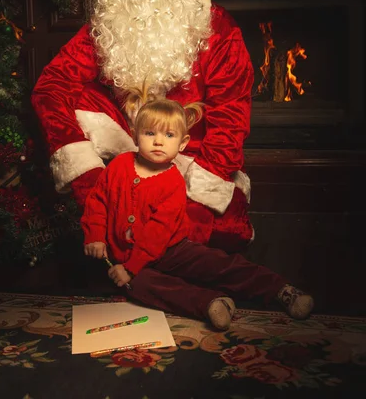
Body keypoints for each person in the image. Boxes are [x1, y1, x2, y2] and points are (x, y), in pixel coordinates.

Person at [31, 0, 255, 253]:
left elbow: (231, 117)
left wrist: (194, 200)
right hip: (127, 160)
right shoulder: (108, 24)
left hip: (190, 159)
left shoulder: (217, 28)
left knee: (202, 237)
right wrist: (86, 175)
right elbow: (52, 86)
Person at [81, 94, 314, 329]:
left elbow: (158, 232)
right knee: (138, 285)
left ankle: (279, 289)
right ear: (135, 136)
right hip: (126, 255)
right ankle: (211, 304)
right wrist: (96, 236)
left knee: (216, 264)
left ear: (182, 144)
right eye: (150, 133)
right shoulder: (119, 165)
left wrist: (131, 267)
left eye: (168, 135)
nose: (158, 142)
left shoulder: (173, 182)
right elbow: (98, 201)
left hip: (170, 248)